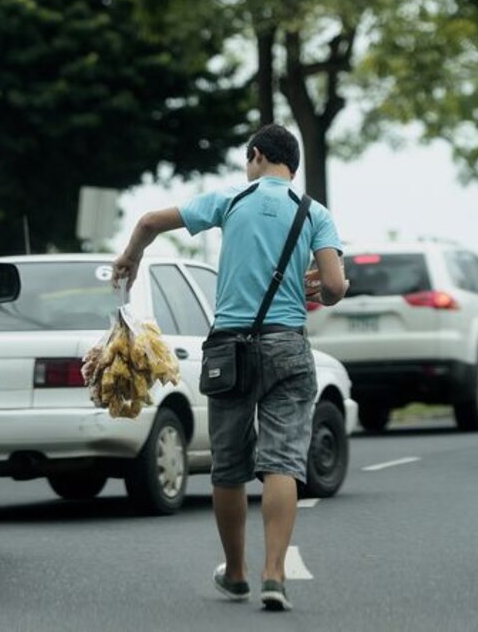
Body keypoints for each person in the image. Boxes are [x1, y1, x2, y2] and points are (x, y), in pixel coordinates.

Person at [112, 123, 347, 612]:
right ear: (293, 166)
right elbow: (333, 286)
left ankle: (236, 573)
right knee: (282, 462)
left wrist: (130, 258)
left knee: (229, 467)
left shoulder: (231, 199)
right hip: (287, 346)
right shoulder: (315, 212)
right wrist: (324, 289)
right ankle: (274, 574)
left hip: (228, 348)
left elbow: (151, 221)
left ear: (256, 155)